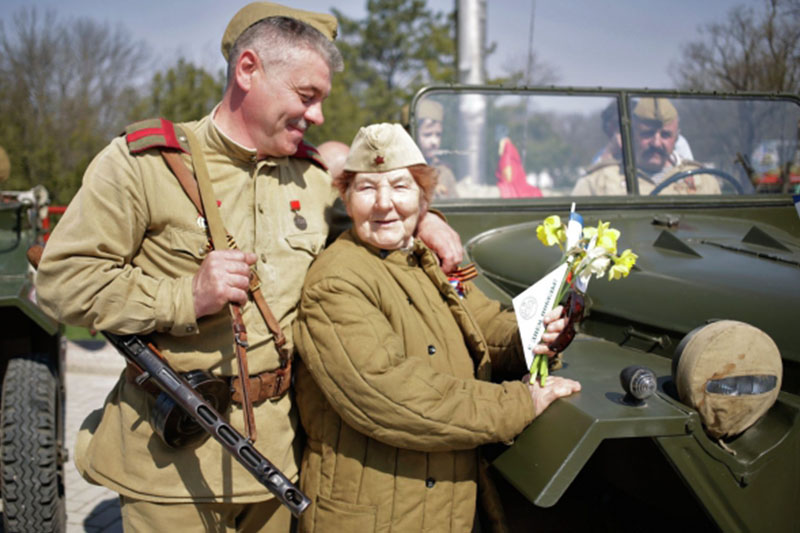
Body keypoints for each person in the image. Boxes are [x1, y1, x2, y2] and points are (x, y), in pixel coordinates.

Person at [34, 4, 463, 532]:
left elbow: (379, 199)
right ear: (248, 70)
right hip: (172, 465)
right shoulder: (141, 165)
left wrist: (427, 220)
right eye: (307, 97)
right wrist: (184, 296)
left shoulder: (309, 176)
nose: (318, 116)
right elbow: (60, 282)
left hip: (279, 459)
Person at [293, 123, 581, 532]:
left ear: (423, 198)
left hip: (443, 505)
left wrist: (535, 336)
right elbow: (391, 395)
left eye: (400, 186)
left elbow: (480, 323)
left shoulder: (421, 256)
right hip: (377, 515)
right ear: (346, 197)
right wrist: (520, 403)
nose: (384, 204)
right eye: (366, 188)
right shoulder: (337, 280)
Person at [573, 97, 719, 196]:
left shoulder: (702, 180)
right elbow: (571, 229)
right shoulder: (599, 181)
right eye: (647, 134)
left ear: (676, 138)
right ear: (631, 135)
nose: (656, 143)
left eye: (666, 135)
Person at [415, 99, 459, 198]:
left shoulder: (444, 173)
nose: (434, 142)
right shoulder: (403, 170)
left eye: (438, 135)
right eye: (427, 135)